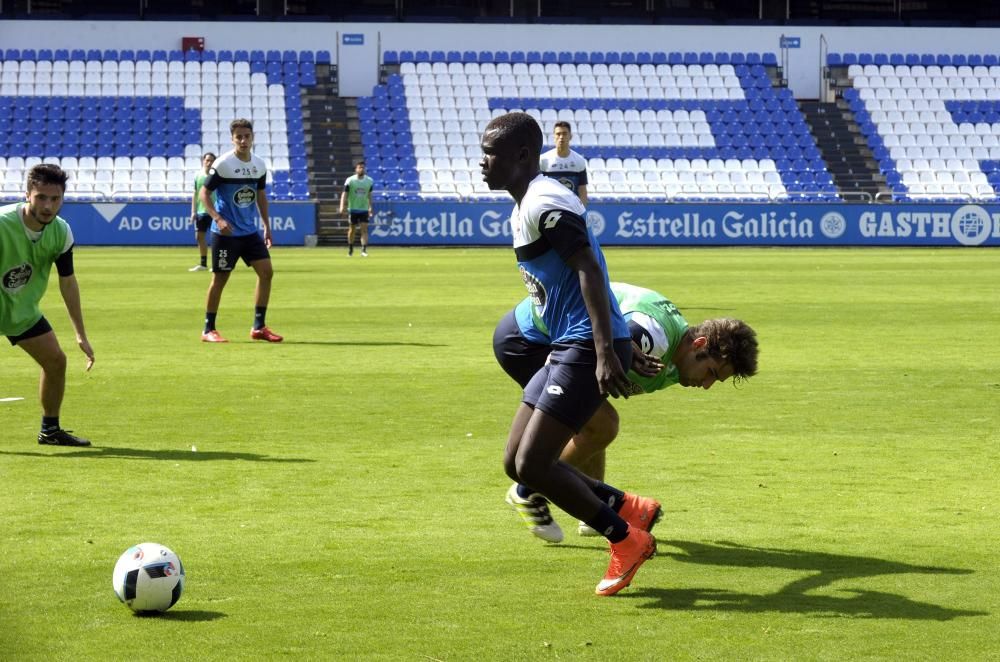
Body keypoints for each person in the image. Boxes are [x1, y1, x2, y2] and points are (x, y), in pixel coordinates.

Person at [480, 111, 658, 597]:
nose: (482, 162)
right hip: (567, 345)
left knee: (536, 466)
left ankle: (626, 539)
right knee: (517, 463)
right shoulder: (524, 206)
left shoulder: (546, 201)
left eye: (491, 153)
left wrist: (606, 349)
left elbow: (589, 269)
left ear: (520, 156)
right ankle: (626, 507)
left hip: (583, 346)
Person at [494, 282, 759, 539]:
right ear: (699, 344)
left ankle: (589, 510)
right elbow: (599, 339)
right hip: (528, 340)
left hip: (545, 338)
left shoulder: (676, 354)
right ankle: (529, 488)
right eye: (711, 373)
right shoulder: (653, 337)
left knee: (592, 415)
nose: (707, 385)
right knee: (603, 424)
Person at [1, 164, 95, 447]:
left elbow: (68, 282)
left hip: (22, 312)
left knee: (56, 361)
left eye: (55, 199)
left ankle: (50, 430)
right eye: (41, 197)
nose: (48, 205)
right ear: (27, 194)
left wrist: (80, 333)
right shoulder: (3, 224)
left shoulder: (61, 232)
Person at [200, 118, 283, 343]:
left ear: (252, 137)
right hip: (226, 235)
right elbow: (204, 194)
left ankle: (259, 326)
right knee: (220, 279)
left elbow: (261, 195)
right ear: (232, 138)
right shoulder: (224, 164)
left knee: (267, 272)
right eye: (239, 137)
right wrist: (217, 219)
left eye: (247, 136)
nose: (243, 140)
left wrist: (266, 225)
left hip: (249, 232)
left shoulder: (259, 164)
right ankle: (208, 329)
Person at [539, 121, 588, 205]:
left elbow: (582, 190)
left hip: (571, 209)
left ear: (570, 136)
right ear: (553, 136)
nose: (561, 137)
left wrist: (581, 212)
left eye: (565, 134)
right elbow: (538, 187)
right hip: (550, 207)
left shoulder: (579, 161)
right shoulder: (543, 160)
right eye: (558, 134)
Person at [188, 151, 216, 272]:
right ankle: (203, 264)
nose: (208, 162)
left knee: (216, 238)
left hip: (214, 211)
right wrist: (193, 211)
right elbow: (195, 193)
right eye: (207, 160)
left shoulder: (216, 176)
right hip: (201, 211)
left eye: (211, 160)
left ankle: (217, 264)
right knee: (199, 237)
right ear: (203, 161)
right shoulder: (197, 175)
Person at [339, 161, 374, 257]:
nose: (361, 169)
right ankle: (350, 249)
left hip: (364, 209)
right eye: (359, 167)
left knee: (364, 229)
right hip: (353, 208)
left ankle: (364, 250)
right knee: (352, 230)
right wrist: (342, 206)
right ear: (356, 169)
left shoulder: (369, 181)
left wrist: (370, 207)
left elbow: (370, 195)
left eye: (363, 167)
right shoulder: (350, 180)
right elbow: (344, 194)